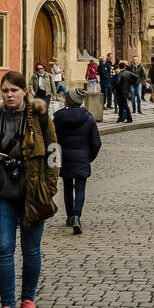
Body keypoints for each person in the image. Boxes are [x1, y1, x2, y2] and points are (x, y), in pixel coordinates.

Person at [0, 71, 58, 308]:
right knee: (3, 249)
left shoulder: (41, 118)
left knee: (31, 250)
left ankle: (28, 301)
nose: (9, 95)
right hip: (3, 193)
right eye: (5, 90)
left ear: (25, 91)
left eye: (14, 90)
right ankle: (7, 307)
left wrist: (49, 187)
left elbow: (54, 153)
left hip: (32, 193)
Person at [52, 87, 101, 234]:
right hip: (82, 158)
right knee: (80, 188)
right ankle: (77, 217)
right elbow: (96, 143)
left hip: (65, 158)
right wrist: (89, 157)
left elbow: (53, 139)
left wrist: (56, 157)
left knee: (67, 187)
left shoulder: (58, 118)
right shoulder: (89, 118)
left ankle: (69, 216)